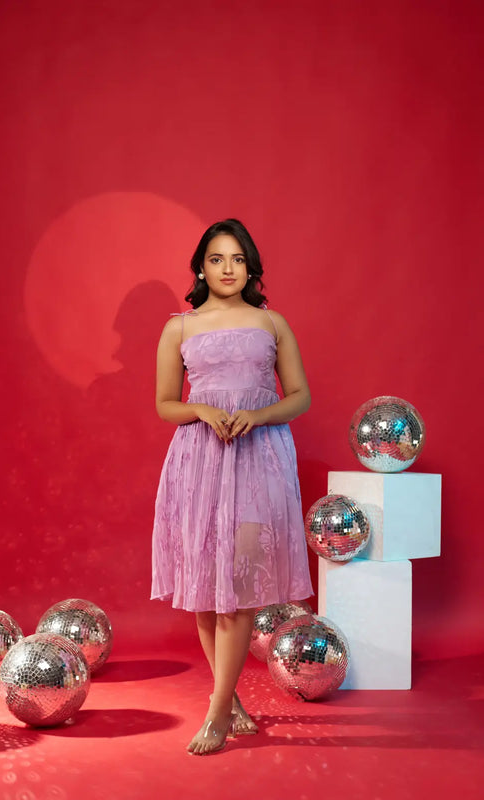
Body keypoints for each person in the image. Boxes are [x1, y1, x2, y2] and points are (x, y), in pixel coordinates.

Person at [151, 219, 313, 755]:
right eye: (217, 259)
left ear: (251, 267)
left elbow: (300, 397)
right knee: (204, 587)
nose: (227, 269)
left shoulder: (272, 322)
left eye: (238, 259)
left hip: (258, 457)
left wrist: (262, 415)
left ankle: (218, 712)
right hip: (199, 461)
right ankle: (232, 699)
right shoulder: (179, 327)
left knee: (238, 589)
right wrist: (198, 407)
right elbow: (165, 404)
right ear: (201, 266)